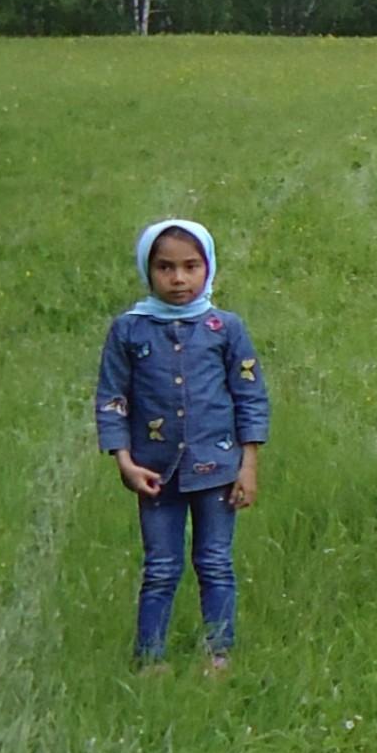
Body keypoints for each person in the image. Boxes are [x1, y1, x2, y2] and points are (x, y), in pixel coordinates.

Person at [94, 219, 266, 673]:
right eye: (165, 267)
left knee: (215, 564)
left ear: (208, 268)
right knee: (161, 569)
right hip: (154, 474)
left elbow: (250, 395)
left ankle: (219, 653)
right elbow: (112, 399)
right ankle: (150, 658)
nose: (179, 279)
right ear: (147, 270)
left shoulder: (224, 328)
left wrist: (248, 464)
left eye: (191, 266)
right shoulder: (129, 330)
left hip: (218, 470)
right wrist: (125, 461)